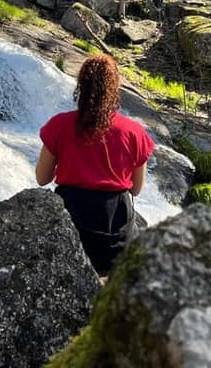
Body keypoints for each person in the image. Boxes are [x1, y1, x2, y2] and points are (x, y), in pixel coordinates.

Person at [36, 55, 155, 275]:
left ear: (81, 86)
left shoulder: (59, 125)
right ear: (114, 88)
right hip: (115, 240)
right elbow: (136, 189)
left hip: (70, 230)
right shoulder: (134, 132)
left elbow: (42, 178)